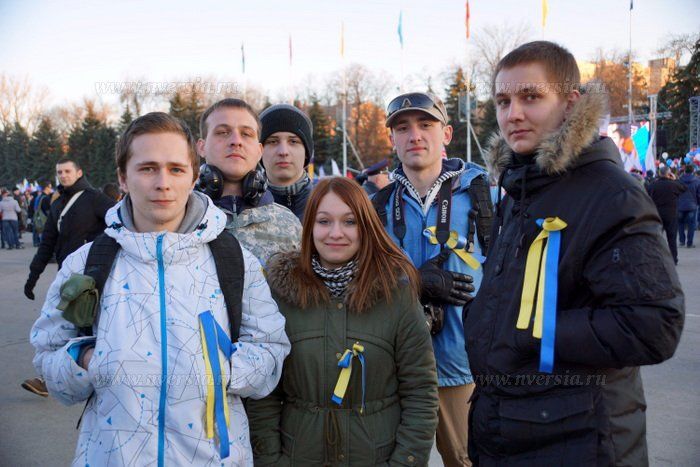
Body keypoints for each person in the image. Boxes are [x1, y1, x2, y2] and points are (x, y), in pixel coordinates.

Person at [464, 41, 685, 466]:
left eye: (531, 97)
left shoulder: (610, 194)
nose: (514, 114)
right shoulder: (520, 188)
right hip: (511, 429)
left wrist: (535, 329)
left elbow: (655, 323)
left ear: (570, 104)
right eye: (503, 100)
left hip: (577, 440)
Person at [30, 112, 290, 466]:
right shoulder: (86, 263)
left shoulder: (235, 261)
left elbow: (271, 349)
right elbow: (47, 356)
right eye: (147, 168)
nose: (162, 183)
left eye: (176, 169)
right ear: (123, 177)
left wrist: (221, 370)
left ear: (194, 176)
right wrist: (87, 361)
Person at [248, 177, 438, 466]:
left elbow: (420, 392)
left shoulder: (395, 294)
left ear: (366, 227)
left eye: (349, 222)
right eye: (324, 222)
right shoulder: (280, 296)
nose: (336, 233)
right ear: (309, 226)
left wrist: (405, 462)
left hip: (377, 455)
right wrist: (271, 460)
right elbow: (265, 393)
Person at [375, 91, 490, 467]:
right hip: (396, 367)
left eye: (426, 125)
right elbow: (363, 278)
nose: (415, 136)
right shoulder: (377, 204)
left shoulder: (481, 194)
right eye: (403, 128)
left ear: (447, 134)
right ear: (392, 138)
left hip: (462, 365)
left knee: (466, 459)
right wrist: (412, 281)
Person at [21, 157, 116, 397]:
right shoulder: (57, 204)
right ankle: (50, 377)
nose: (63, 175)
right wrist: (33, 276)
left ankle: (110, 379)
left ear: (79, 172)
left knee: (89, 328)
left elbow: (119, 223)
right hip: (66, 278)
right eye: (59, 172)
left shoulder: (94, 198)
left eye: (67, 171)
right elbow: (47, 243)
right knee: (60, 328)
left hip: (93, 277)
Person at [197, 98, 301, 266]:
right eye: (223, 132)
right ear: (201, 147)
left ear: (259, 151)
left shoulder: (289, 224)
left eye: (246, 134)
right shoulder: (178, 218)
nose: (236, 141)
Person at [259, 103, 315, 220]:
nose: (283, 151)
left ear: (306, 152)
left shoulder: (327, 206)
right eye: (273, 142)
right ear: (260, 151)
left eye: (293, 142)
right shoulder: (243, 210)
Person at [648, 165, 686, 264]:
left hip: (657, 214)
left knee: (657, 237)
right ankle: (673, 259)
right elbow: (684, 188)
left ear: (659, 173)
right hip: (671, 214)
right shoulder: (673, 184)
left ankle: (656, 258)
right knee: (672, 238)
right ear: (669, 174)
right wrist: (675, 179)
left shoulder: (653, 185)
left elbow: (647, 195)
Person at [677, 164, 700, 247]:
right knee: (691, 224)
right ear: (693, 171)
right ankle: (689, 243)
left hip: (680, 205)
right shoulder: (697, 181)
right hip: (692, 205)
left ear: (684, 171)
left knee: (680, 223)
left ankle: (682, 241)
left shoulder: (679, 180)